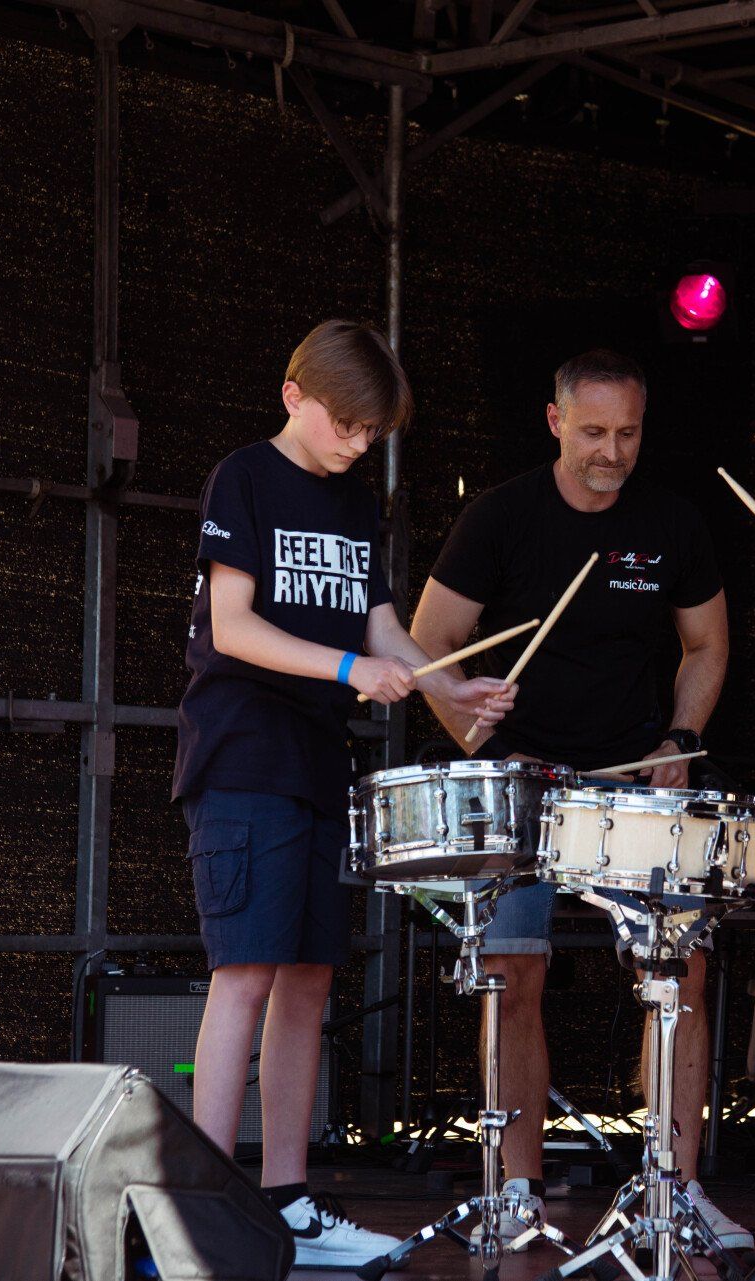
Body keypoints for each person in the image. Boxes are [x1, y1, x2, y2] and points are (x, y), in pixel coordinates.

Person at [173, 320, 517, 1267]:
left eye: (373, 432)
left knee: (310, 978)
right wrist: (347, 669)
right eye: (348, 423)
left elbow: (385, 630)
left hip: (320, 764)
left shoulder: (360, 505)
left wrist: (448, 684)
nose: (358, 443)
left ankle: (285, 1199)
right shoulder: (242, 478)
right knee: (242, 974)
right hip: (242, 758)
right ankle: (207, 1210)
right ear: (295, 393)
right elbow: (234, 628)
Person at [410, 349, 747, 1250]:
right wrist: (484, 744)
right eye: (593, 431)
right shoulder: (502, 517)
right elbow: (430, 644)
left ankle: (674, 1188)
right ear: (555, 420)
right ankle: (520, 1189)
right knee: (514, 971)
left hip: (637, 782)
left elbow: (707, 644)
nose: (611, 451)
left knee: (682, 974)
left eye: (628, 433)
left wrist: (679, 739)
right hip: (525, 783)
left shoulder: (672, 521)